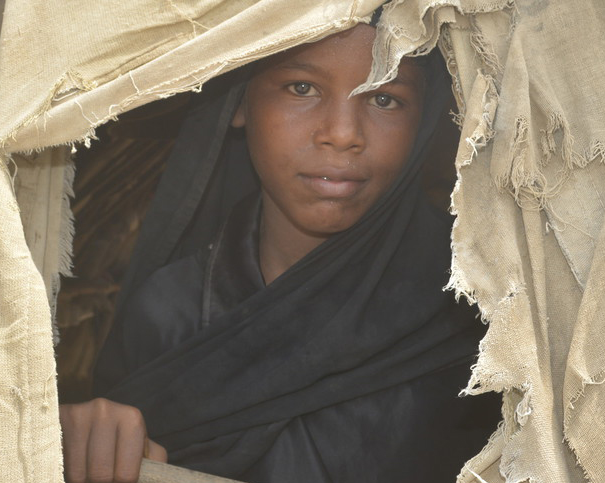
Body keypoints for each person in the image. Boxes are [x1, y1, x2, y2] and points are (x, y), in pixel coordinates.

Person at [60, 22, 499, 483]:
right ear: (239, 101)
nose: (343, 133)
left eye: (384, 98)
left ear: (424, 120)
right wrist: (80, 443)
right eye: (302, 88)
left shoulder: (483, 315)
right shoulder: (167, 315)